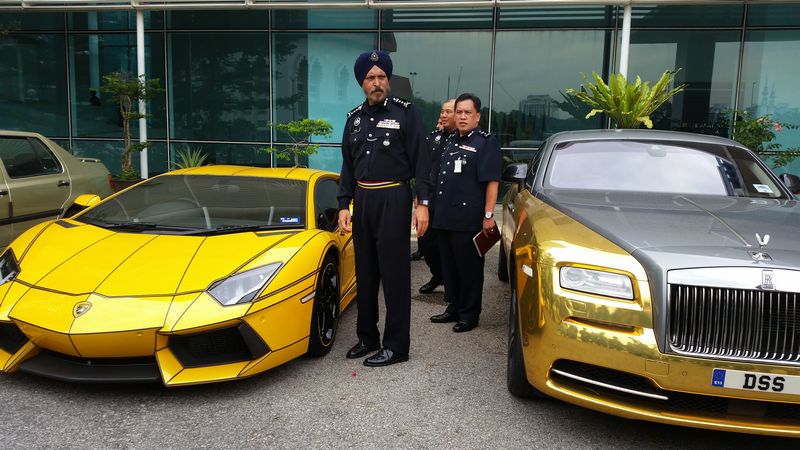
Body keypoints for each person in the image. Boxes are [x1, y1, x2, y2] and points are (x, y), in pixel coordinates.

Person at [337, 50, 432, 366]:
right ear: (361, 83)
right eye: (370, 78)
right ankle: (367, 337)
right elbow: (348, 167)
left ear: (387, 80)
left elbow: (422, 161)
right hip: (363, 200)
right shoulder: (353, 119)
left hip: (394, 198)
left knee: (393, 275)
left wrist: (423, 205)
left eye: (381, 77)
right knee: (365, 273)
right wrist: (343, 205)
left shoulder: (407, 113)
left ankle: (396, 346)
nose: (376, 83)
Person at [429, 93, 501, 332]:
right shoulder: (449, 141)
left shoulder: (484, 142)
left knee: (468, 268)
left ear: (477, 116)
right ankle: (454, 307)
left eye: (467, 113)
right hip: (444, 217)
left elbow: (492, 181)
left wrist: (489, 216)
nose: (461, 117)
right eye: (458, 112)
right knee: (449, 266)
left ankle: (469, 314)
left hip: (468, 219)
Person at [418, 99, 456, 295]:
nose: (443, 115)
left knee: (448, 248)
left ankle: (451, 286)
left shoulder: (462, 140)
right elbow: (424, 170)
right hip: (430, 202)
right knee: (426, 244)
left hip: (451, 205)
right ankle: (438, 275)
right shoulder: (433, 138)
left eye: (448, 111)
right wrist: (420, 199)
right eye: (442, 111)